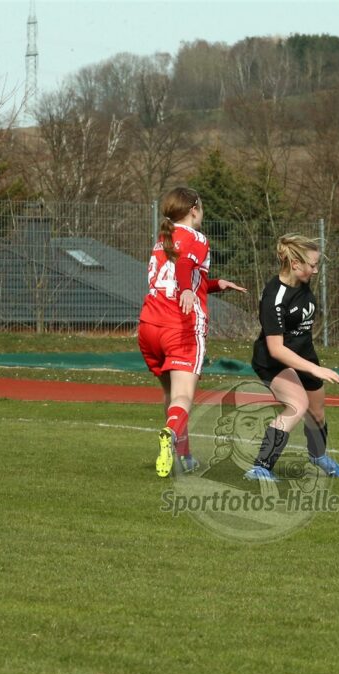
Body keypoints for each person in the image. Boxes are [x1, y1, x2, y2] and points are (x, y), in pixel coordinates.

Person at [137, 186, 246, 477]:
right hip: (180, 326)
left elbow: (179, 275)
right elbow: (185, 267)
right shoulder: (196, 238)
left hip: (149, 325)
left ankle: (184, 457)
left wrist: (216, 284)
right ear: (194, 210)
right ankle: (171, 435)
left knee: (170, 395)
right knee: (183, 396)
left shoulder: (163, 239)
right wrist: (187, 290)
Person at [246, 233, 339, 481]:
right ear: (295, 264)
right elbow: (276, 349)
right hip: (273, 361)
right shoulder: (274, 297)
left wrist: (310, 366)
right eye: (312, 265)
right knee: (297, 405)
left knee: (317, 413)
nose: (316, 270)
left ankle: (317, 456)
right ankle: (260, 467)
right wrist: (315, 369)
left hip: (304, 355)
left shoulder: (301, 282)